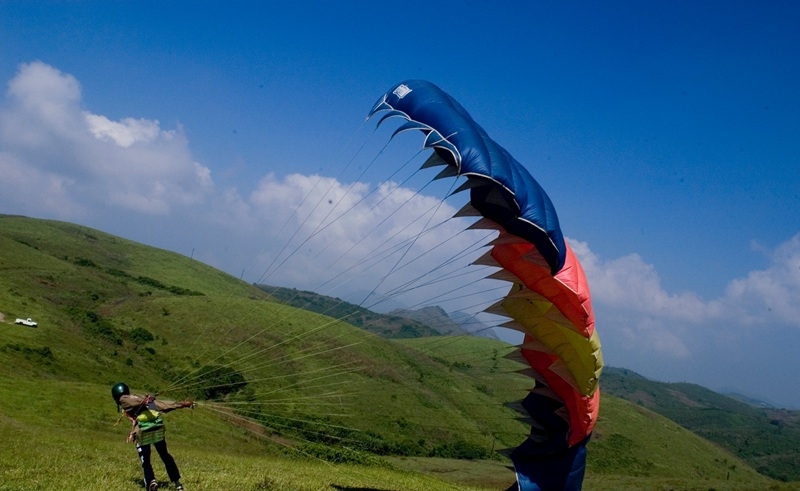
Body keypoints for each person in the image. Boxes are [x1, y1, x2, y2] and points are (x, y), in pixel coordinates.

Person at [112, 382, 194, 491]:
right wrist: (181, 404)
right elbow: (162, 405)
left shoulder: (124, 400)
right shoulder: (139, 397)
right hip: (157, 428)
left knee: (145, 459)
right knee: (165, 455)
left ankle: (151, 481)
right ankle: (177, 483)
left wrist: (145, 400)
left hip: (143, 431)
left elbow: (131, 404)